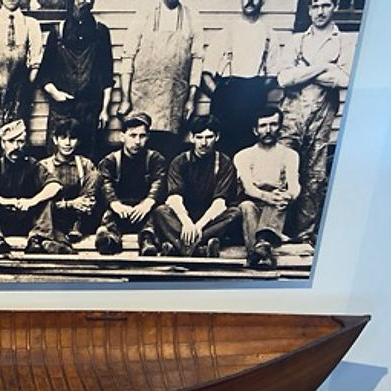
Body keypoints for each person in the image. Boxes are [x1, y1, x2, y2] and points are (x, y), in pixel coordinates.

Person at [276, 0, 352, 246]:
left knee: (314, 178)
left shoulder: (344, 41)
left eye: (326, 5)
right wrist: (323, 67)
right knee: (282, 174)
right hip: (290, 119)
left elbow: (344, 80)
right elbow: (285, 79)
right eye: (315, 5)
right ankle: (272, 233)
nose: (320, 11)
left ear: (336, 6)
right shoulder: (297, 40)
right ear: (308, 9)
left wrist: (304, 70)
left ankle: (304, 237)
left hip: (321, 121)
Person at [119, 0, 205, 160]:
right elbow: (127, 56)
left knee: (168, 152)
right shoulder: (144, 13)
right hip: (143, 97)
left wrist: (191, 99)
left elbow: (197, 60)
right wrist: (125, 99)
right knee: (142, 147)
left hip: (173, 100)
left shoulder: (191, 17)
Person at [0, 119, 69, 255]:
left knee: (48, 199)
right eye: (11, 142)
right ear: (3, 144)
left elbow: (55, 185)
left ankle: (38, 239)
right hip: (2, 222)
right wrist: (3, 201)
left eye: (20, 142)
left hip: (28, 221)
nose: (16, 147)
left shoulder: (33, 165)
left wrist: (32, 201)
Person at [152, 115, 241, 257]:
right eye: (199, 137)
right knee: (160, 211)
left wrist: (198, 226)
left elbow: (220, 203)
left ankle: (180, 247)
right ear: (192, 138)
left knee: (235, 213)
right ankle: (199, 250)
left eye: (209, 137)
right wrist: (187, 222)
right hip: (183, 217)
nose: (203, 143)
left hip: (210, 218)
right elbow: (175, 197)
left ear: (217, 137)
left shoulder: (224, 162)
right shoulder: (180, 161)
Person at [36, 0, 114, 159]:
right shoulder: (58, 32)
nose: (83, 2)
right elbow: (44, 75)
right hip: (62, 110)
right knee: (57, 160)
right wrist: (56, 93)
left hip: (90, 110)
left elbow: (107, 75)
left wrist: (105, 110)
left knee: (89, 160)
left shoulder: (100, 31)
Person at [0, 0, 44, 164]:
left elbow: (35, 62)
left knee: (16, 135)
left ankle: (15, 179)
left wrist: (25, 89)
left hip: (19, 91)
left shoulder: (30, 25)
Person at [205, 0, 280, 156]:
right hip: (226, 96)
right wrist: (220, 94)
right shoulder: (227, 32)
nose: (250, 1)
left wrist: (257, 92)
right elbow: (206, 73)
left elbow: (273, 75)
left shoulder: (269, 34)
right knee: (222, 148)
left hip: (253, 98)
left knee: (249, 148)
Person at [236, 108, 301, 269]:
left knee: (280, 198)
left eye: (273, 125)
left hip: (277, 208)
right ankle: (263, 248)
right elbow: (248, 189)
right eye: (263, 126)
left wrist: (289, 196)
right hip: (254, 201)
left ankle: (258, 250)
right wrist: (267, 196)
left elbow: (295, 185)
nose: (268, 130)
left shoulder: (290, 155)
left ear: (280, 127)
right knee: (246, 206)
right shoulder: (243, 155)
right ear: (255, 130)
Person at [93, 113, 165, 256]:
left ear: (148, 137)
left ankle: (147, 242)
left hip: (144, 208)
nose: (137, 141)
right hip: (120, 208)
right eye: (132, 135)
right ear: (122, 136)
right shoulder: (110, 161)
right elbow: (105, 184)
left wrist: (148, 202)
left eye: (142, 136)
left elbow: (159, 181)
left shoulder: (155, 159)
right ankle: (109, 240)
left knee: (154, 218)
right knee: (109, 218)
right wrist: (115, 203)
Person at [39, 118, 97, 248]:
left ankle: (76, 228)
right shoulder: (44, 166)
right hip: (53, 217)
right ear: (55, 140)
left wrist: (83, 204)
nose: (67, 143)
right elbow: (40, 203)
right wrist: (69, 204)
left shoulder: (85, 164)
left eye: (73, 138)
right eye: (63, 137)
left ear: (78, 141)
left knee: (95, 175)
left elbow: (89, 200)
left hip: (79, 219)